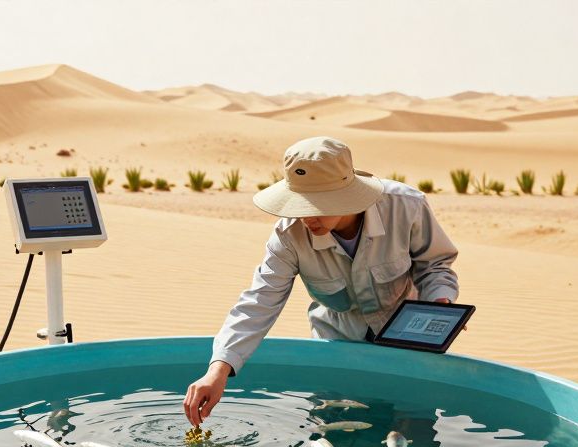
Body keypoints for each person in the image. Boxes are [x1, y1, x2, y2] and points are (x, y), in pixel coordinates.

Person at [183, 136, 460, 427]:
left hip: (408, 346)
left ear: (347, 195)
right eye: (298, 204)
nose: (305, 217)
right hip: (336, 346)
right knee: (334, 435)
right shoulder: (287, 235)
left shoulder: (406, 207)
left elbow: (435, 265)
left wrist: (440, 301)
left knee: (413, 435)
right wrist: (218, 370)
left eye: (316, 205)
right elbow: (260, 300)